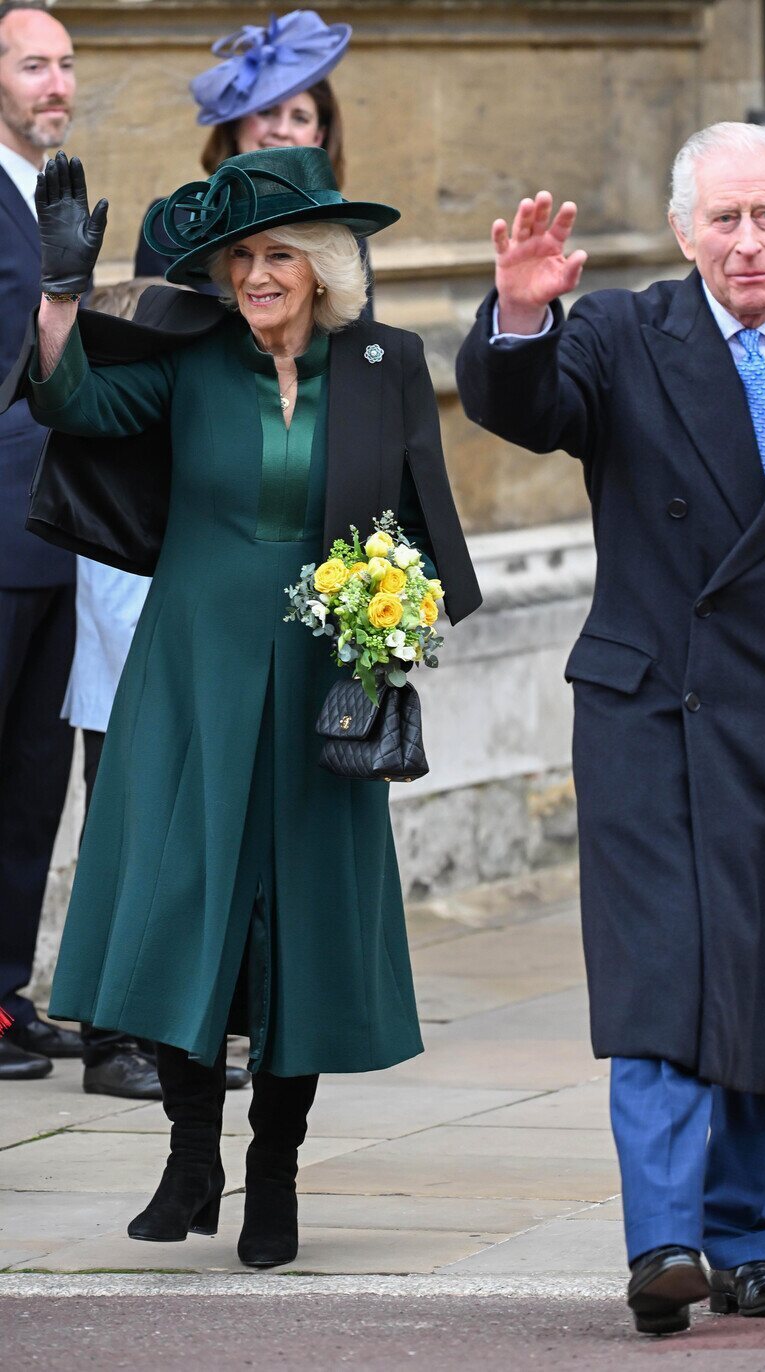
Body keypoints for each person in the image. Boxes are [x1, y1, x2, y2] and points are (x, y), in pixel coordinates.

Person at [455, 121, 765, 1334]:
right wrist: (518, 318)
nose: (747, 241)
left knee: (764, 976)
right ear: (684, 233)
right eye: (723, 219)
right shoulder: (627, 335)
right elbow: (526, 410)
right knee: (660, 977)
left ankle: (748, 1239)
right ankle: (669, 1238)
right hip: (649, 713)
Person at [21, 144, 481, 1268]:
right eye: (242, 257)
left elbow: (422, 532)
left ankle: (273, 1172)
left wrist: (395, 621)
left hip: (325, 681)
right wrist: (62, 288)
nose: (258, 275)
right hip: (192, 670)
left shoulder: (383, 363)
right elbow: (71, 393)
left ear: (325, 266)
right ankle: (191, 1154)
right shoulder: (193, 358)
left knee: (299, 933)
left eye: (280, 254)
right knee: (186, 904)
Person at [63, 278, 250, 1101]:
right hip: (132, 672)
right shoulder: (127, 410)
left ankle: (169, 1030)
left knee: (177, 862)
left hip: (184, 669)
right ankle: (110, 1039)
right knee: (126, 852)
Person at [0, 0, 83, 1080]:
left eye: (65, 65)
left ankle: (7, 994)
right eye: (32, 66)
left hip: (60, 534)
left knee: (32, 779)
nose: (56, 84)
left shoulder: (56, 194)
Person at [134, 10, 373, 314]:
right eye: (267, 111)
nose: (281, 129)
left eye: (300, 117)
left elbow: (362, 346)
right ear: (236, 124)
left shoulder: (341, 229)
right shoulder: (173, 223)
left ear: (319, 136)